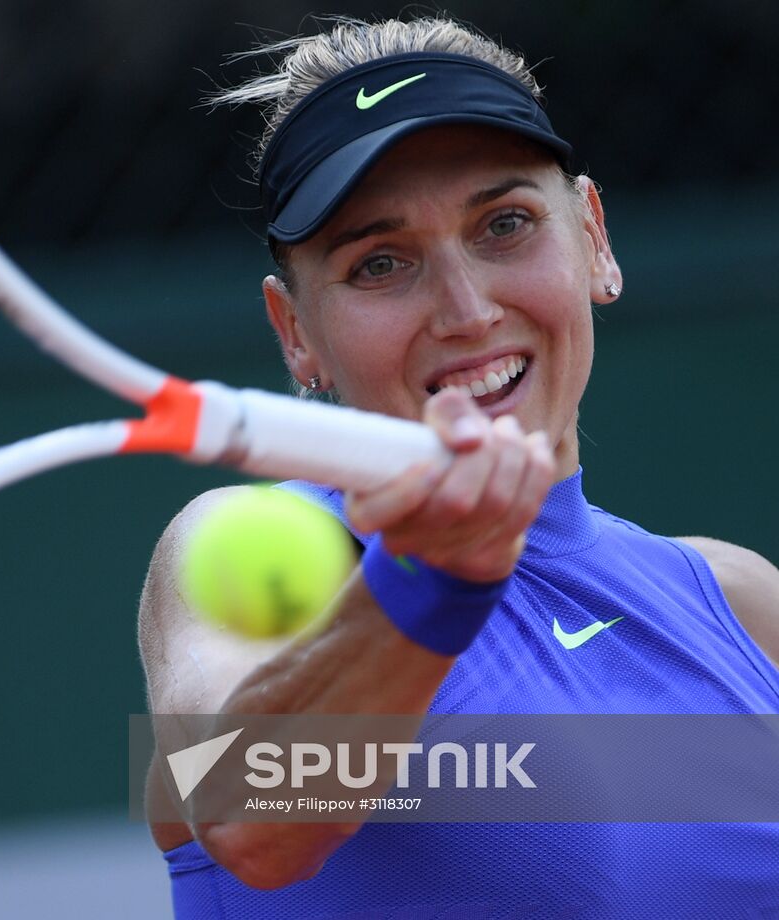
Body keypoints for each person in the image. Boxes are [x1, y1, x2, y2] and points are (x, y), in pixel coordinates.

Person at [138, 15, 779, 918]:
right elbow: (248, 819)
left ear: (593, 236)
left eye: (506, 224)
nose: (467, 308)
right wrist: (433, 578)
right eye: (381, 263)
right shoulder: (253, 550)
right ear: (296, 335)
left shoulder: (742, 603)